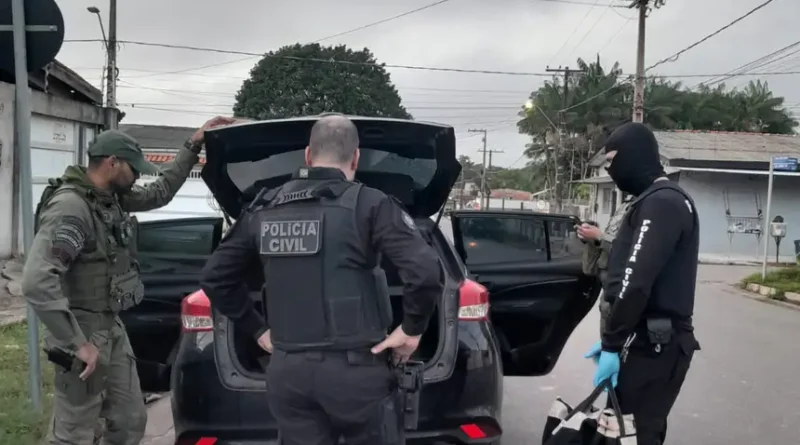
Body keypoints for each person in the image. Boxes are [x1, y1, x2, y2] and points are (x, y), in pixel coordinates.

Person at [200, 114, 443, 445]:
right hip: (357, 373)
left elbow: (215, 277)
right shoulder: (371, 204)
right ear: (356, 158)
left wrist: (257, 330)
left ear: (307, 155)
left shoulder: (263, 208)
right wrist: (411, 330)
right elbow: (425, 271)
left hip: (289, 373)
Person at [21, 116, 236, 445]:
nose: (137, 175)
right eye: (133, 168)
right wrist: (77, 343)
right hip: (82, 330)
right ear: (112, 163)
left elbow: (160, 192)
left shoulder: (110, 197)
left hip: (111, 327)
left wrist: (193, 145)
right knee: (74, 432)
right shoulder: (71, 208)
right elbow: (37, 281)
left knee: (129, 420)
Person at [583, 122, 701, 445]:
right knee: (623, 431)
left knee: (636, 433)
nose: (610, 170)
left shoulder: (662, 203)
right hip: (643, 341)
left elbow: (635, 280)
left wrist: (612, 342)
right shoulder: (653, 200)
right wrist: (617, 339)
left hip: (654, 346)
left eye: (612, 161)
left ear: (633, 156)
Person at [577, 192, 633, 334]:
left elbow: (631, 250)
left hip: (623, 291)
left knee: (616, 339)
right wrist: (591, 237)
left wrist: (600, 237)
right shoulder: (626, 205)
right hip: (608, 290)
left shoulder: (647, 206)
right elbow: (612, 240)